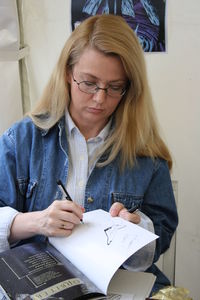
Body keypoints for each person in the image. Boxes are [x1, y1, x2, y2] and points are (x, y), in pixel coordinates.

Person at [0, 14, 178, 293]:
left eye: (114, 87)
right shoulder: (22, 140)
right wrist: (37, 221)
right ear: (68, 75)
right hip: (37, 284)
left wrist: (137, 228)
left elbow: (162, 232)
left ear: (129, 88)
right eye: (89, 82)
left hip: (118, 287)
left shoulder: (146, 153)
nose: (100, 98)